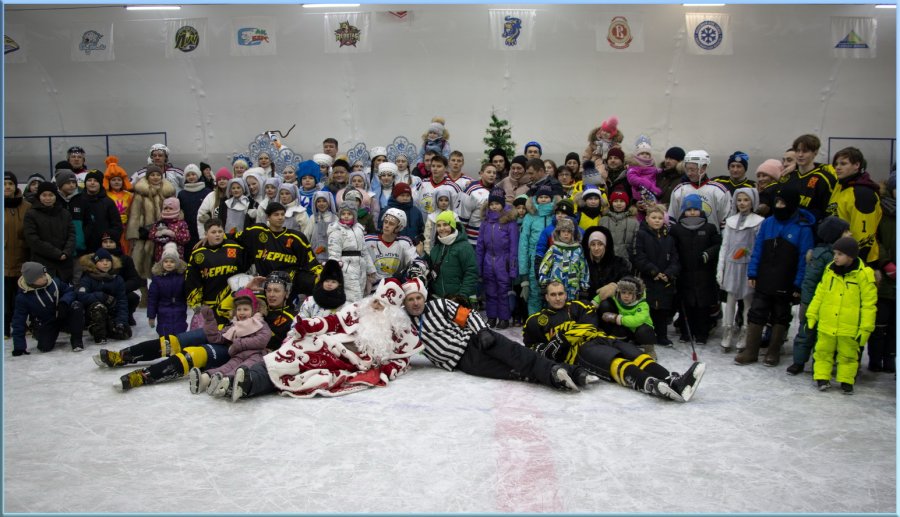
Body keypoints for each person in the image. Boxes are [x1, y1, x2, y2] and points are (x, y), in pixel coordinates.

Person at [231, 278, 423, 401]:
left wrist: (385, 372)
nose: (376, 306)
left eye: (381, 305)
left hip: (347, 361)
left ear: (392, 311)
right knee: (294, 348)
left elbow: (400, 361)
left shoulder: (401, 332)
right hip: (328, 342)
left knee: (298, 365)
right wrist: (309, 325)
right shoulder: (360, 309)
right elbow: (334, 321)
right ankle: (238, 378)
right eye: (375, 300)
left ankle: (249, 382)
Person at [522, 280, 705, 401]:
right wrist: (558, 344)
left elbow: (590, 326)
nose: (558, 298)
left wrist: (563, 337)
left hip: (601, 338)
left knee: (636, 354)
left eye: (561, 293)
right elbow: (533, 349)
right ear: (546, 297)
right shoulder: (536, 321)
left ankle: (672, 380)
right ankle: (651, 384)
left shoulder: (578, 306)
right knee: (615, 361)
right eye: (553, 294)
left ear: (565, 294)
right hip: (581, 352)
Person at [403, 278, 595, 392]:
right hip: (464, 361)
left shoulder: (439, 305)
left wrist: (482, 331)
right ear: (404, 303)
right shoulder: (403, 325)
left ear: (424, 297)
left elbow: (468, 316)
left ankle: (566, 372)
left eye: (418, 297)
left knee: (518, 355)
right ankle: (562, 375)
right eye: (410, 299)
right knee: (512, 371)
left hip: (474, 340)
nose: (416, 303)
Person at [735, 185, 815, 366]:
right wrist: (753, 272)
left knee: (781, 315)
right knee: (757, 312)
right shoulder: (768, 223)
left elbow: (805, 260)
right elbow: (757, 249)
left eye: (783, 203)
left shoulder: (803, 228)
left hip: (786, 279)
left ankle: (773, 351)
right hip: (765, 276)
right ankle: (751, 351)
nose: (779, 206)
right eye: (777, 202)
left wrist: (798, 284)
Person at [807, 237, 877, 394]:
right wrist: (812, 314)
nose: (835, 257)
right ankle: (822, 377)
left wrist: (865, 328)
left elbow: (869, 305)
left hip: (849, 326)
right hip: (827, 322)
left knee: (848, 355)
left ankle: (846, 380)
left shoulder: (864, 275)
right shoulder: (829, 270)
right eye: (834, 253)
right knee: (822, 352)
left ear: (850, 256)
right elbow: (820, 294)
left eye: (840, 254)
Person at [786, 216, 852, 375]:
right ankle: (798, 362)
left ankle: (820, 364)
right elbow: (810, 281)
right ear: (835, 234)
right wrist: (807, 303)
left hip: (831, 303)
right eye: (846, 231)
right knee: (806, 332)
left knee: (823, 337)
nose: (850, 234)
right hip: (814, 302)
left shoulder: (845, 256)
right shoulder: (821, 254)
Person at [190, 289, 273, 397]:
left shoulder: (259, 323)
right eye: (239, 309)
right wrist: (210, 320)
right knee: (225, 368)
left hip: (256, 356)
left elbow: (262, 339)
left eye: (245, 309)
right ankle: (204, 380)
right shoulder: (234, 326)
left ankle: (224, 384)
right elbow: (217, 338)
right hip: (238, 356)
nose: (242, 312)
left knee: (239, 370)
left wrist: (239, 344)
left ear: (253, 310)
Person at [235, 203, 322, 301]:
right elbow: (236, 237)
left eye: (282, 214)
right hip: (266, 283)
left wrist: (320, 272)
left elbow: (310, 260)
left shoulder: (296, 237)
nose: (280, 217)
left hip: (291, 282)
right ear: (268, 217)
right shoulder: (257, 232)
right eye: (276, 214)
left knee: (319, 283)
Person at [717, 188, 765, 351]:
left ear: (752, 201)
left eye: (746, 200)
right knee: (730, 299)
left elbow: (759, 247)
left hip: (747, 266)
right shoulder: (731, 221)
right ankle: (728, 330)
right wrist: (721, 268)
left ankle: (745, 330)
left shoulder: (758, 222)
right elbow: (725, 246)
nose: (742, 203)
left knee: (747, 300)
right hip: (732, 265)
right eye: (739, 200)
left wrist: (756, 270)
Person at [670, 194, 721, 346]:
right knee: (686, 304)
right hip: (684, 274)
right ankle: (686, 332)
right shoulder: (676, 229)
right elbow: (672, 248)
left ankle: (702, 333)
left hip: (704, 274)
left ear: (701, 210)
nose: (692, 212)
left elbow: (718, 245)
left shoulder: (709, 228)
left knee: (702, 306)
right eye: (688, 209)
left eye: (695, 209)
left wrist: (708, 254)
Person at [632, 203, 680, 347]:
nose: (657, 220)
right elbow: (639, 257)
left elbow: (675, 259)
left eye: (660, 218)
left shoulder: (669, 238)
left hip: (665, 280)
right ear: (647, 219)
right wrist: (654, 271)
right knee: (648, 307)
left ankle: (662, 335)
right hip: (648, 278)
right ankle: (646, 335)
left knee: (663, 309)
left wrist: (668, 273)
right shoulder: (641, 235)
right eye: (654, 217)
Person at [11, 262, 84, 354]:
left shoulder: (54, 282)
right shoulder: (23, 297)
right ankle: (41, 335)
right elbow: (18, 321)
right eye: (41, 276)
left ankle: (77, 340)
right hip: (46, 322)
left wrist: (64, 302)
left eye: (44, 274)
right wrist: (19, 346)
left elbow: (70, 291)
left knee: (76, 306)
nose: (45, 277)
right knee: (44, 347)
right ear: (32, 280)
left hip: (62, 314)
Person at [827, 146, 882, 265]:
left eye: (843, 164)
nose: (837, 167)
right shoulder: (840, 185)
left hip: (856, 259)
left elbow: (864, 238)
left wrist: (853, 264)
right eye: (836, 164)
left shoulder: (862, 194)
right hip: (839, 253)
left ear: (857, 165)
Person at [186, 218, 245, 324]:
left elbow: (244, 271)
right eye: (213, 232)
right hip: (209, 305)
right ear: (206, 234)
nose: (217, 235)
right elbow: (192, 279)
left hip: (232, 303)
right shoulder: (198, 253)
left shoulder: (234, 247)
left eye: (220, 231)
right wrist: (195, 304)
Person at [475, 188, 519, 329]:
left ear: (502, 204)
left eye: (497, 204)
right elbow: (480, 246)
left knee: (503, 292)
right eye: (491, 204)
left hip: (503, 262)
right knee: (490, 291)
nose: (494, 206)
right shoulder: (485, 223)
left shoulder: (510, 223)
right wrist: (479, 266)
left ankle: (504, 318)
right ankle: (492, 317)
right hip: (488, 261)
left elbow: (513, 247)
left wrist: (512, 268)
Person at [126, 164, 177, 280]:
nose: (155, 177)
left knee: (163, 260)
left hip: (164, 232)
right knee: (142, 260)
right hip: (144, 233)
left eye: (158, 175)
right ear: (147, 177)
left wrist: (173, 227)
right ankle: (143, 285)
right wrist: (134, 233)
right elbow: (134, 214)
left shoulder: (168, 192)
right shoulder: (140, 193)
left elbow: (176, 210)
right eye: (152, 175)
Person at [76, 248, 131, 344]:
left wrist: (121, 322)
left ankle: (110, 327)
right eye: (101, 261)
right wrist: (102, 296)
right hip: (92, 313)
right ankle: (99, 334)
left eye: (108, 261)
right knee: (98, 307)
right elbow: (81, 297)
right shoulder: (87, 278)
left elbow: (122, 301)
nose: (105, 263)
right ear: (95, 263)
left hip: (112, 312)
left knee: (125, 333)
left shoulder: (117, 279)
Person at [23, 182, 75, 282]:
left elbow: (71, 234)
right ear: (39, 196)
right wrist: (57, 254)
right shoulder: (31, 214)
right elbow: (32, 239)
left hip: (64, 263)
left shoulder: (65, 213)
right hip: (42, 263)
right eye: (44, 195)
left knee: (65, 289)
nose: (48, 198)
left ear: (55, 196)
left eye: (51, 195)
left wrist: (66, 252)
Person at [518, 183, 558, 315]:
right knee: (534, 294)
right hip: (534, 261)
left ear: (551, 199)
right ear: (536, 199)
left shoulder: (556, 215)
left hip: (554, 262)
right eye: (541, 197)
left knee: (553, 294)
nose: (544, 199)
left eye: (547, 197)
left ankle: (552, 322)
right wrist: (523, 272)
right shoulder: (530, 217)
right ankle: (534, 322)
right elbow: (523, 243)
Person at [668, 150, 731, 232]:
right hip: (684, 238)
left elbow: (725, 223)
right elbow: (671, 219)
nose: (689, 173)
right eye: (687, 169)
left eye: (692, 169)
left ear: (703, 168)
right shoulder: (679, 190)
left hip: (711, 239)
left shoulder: (719, 191)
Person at [780, 134, 837, 223]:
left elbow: (828, 210)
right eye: (797, 151)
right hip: (786, 225)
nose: (800, 155)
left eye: (805, 151)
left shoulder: (825, 178)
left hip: (811, 227)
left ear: (815, 152)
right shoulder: (787, 176)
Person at [328, 202, 377, 302]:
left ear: (354, 215)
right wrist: (334, 271)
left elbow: (364, 251)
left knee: (361, 293)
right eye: (343, 214)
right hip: (346, 266)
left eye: (349, 214)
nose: (346, 216)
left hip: (360, 266)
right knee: (352, 295)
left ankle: (358, 311)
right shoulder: (336, 230)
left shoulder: (358, 229)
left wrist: (370, 268)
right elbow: (334, 253)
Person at [429, 210, 478, 304]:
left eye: (445, 224)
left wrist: (461, 296)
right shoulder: (436, 248)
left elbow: (471, 273)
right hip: (439, 300)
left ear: (452, 225)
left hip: (460, 300)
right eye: (438, 225)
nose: (442, 228)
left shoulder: (464, 247)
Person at [538, 218, 589, 302]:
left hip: (573, 292)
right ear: (558, 233)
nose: (566, 234)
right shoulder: (554, 249)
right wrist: (544, 284)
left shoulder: (578, 250)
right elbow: (544, 267)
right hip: (556, 292)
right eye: (563, 231)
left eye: (569, 232)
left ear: (573, 233)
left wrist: (584, 287)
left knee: (572, 309)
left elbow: (584, 269)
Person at [5, 171, 30, 337]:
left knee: (20, 295)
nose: (7, 187)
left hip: (22, 257)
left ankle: (21, 325)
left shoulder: (26, 207)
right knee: (5, 296)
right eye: (4, 184)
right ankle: (5, 327)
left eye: (10, 184)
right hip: (4, 259)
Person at [366, 207, 423, 282]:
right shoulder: (368, 241)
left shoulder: (404, 242)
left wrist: (416, 267)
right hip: (373, 285)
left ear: (399, 227)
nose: (386, 225)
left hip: (396, 284)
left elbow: (417, 261)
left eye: (391, 224)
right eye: (385, 222)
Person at [580, 226, 631, 307]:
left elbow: (628, 280)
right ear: (589, 247)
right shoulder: (583, 263)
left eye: (600, 244)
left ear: (605, 245)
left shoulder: (618, 263)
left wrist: (615, 286)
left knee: (605, 304)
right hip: (589, 303)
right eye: (593, 244)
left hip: (612, 304)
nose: (596, 248)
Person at [100, 232, 143, 326]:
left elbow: (135, 279)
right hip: (101, 291)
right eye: (105, 242)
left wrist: (120, 288)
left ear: (116, 243)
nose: (108, 244)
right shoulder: (95, 258)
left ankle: (127, 315)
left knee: (133, 297)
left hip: (121, 291)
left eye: (111, 242)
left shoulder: (126, 259)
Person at [147, 242, 188, 337]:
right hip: (163, 309)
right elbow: (152, 298)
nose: (169, 264)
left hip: (179, 308)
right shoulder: (157, 278)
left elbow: (188, 292)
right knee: (165, 333)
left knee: (180, 333)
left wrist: (194, 304)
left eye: (172, 262)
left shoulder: (182, 276)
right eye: (166, 261)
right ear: (162, 263)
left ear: (177, 263)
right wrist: (151, 316)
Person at [81, 167, 123, 257]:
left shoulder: (108, 202)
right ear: (85, 183)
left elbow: (117, 225)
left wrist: (108, 239)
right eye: (89, 180)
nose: (92, 183)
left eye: (96, 181)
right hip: (83, 247)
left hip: (104, 249)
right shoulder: (79, 201)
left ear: (100, 183)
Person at [461, 163, 499, 245]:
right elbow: (463, 215)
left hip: (491, 240)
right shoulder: (471, 189)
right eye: (489, 172)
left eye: (494, 173)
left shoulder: (498, 191)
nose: (492, 175)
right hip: (473, 240)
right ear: (481, 173)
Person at [103, 156, 135, 254]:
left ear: (123, 181)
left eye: (119, 180)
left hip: (126, 230)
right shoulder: (104, 195)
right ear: (109, 182)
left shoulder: (130, 195)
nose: (116, 182)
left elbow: (134, 213)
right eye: (113, 180)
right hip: (110, 229)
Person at [177, 163, 212, 251]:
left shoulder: (207, 192)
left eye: (193, 174)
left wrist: (208, 216)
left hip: (204, 229)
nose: (191, 177)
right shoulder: (182, 194)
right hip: (188, 230)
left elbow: (212, 209)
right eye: (188, 175)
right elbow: (180, 211)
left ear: (198, 175)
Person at [600, 190, 638, 263]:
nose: (618, 203)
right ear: (611, 203)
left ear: (626, 203)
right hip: (606, 260)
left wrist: (634, 260)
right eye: (615, 201)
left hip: (626, 261)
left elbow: (636, 244)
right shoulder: (603, 220)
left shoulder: (634, 222)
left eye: (622, 201)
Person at [149, 197, 191, 262]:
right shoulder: (159, 222)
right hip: (160, 256)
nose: (168, 210)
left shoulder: (181, 223)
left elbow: (186, 238)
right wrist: (156, 234)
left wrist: (173, 234)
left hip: (176, 256)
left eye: (170, 208)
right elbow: (151, 235)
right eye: (166, 208)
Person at [196, 167, 231, 239]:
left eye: (224, 179)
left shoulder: (235, 195)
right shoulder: (211, 196)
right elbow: (201, 216)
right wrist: (204, 236)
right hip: (216, 235)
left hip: (232, 234)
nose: (221, 181)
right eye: (219, 179)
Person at [423, 185, 459, 253]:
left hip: (451, 248)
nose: (443, 202)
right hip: (435, 247)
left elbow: (458, 233)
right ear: (437, 201)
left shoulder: (454, 216)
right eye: (441, 200)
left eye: (446, 200)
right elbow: (427, 236)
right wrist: (428, 251)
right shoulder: (431, 217)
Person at [309, 191, 337, 263]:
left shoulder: (334, 218)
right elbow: (307, 235)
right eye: (318, 201)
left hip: (331, 253)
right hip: (315, 253)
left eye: (324, 201)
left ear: (329, 203)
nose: (321, 204)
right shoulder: (313, 218)